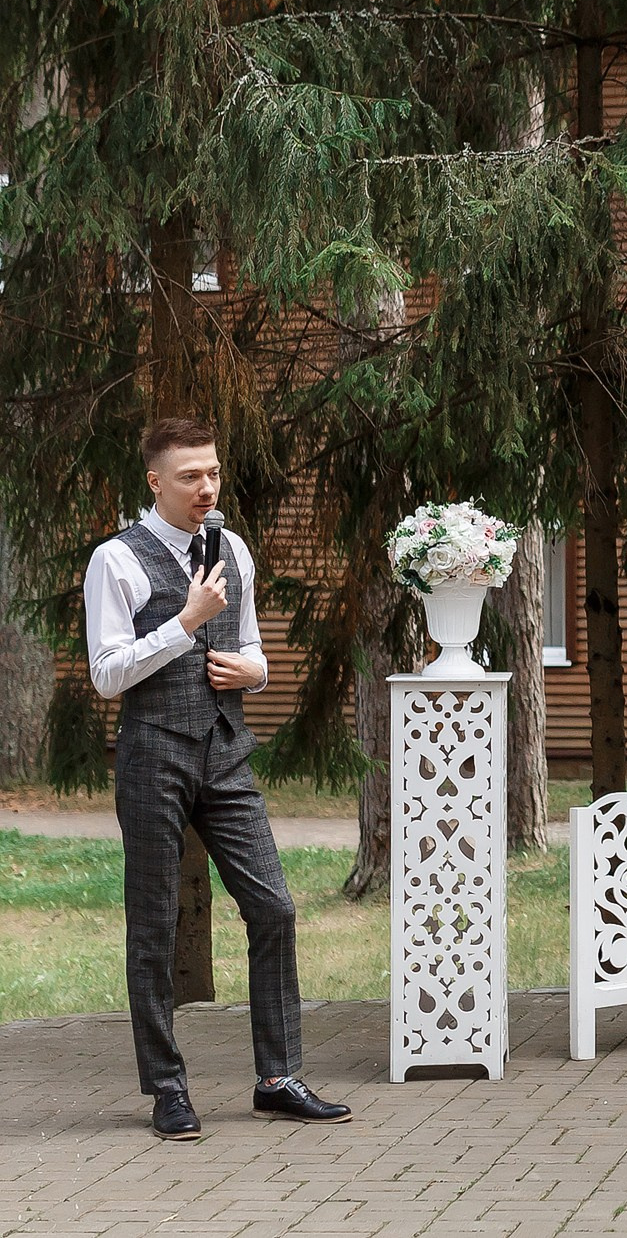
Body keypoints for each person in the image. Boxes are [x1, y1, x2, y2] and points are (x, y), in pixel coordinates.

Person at [84, 417, 350, 1141]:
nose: (206, 487)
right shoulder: (117, 560)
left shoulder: (232, 547)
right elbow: (107, 674)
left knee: (274, 908)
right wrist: (185, 621)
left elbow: (256, 647)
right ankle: (167, 1087)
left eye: (212, 472)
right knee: (155, 923)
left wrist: (255, 672)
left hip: (225, 749)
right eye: (189, 476)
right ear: (155, 482)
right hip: (154, 752)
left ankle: (278, 1075)